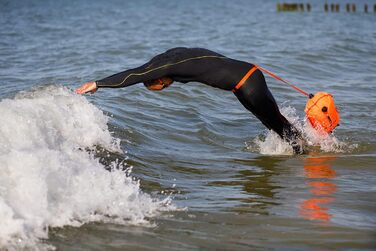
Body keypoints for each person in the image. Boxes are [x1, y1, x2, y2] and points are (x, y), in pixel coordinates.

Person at [76, 47, 304, 153]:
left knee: (278, 125)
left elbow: (135, 74)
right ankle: (307, 147)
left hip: (248, 82)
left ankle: (309, 156)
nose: (166, 86)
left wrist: (98, 84)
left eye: (161, 86)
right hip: (245, 80)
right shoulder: (173, 55)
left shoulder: (165, 66)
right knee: (274, 125)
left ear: (158, 78)